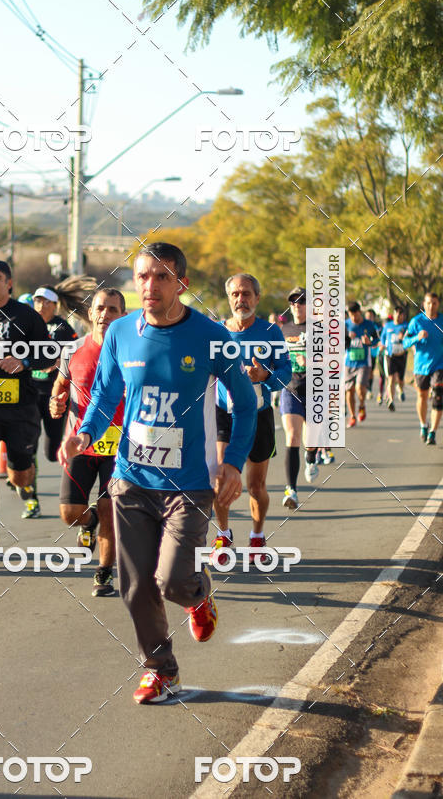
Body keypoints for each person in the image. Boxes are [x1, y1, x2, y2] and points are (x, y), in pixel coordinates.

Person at [59, 242, 257, 704]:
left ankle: (198, 593)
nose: (150, 285)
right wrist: (85, 433)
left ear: (181, 284)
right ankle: (162, 671)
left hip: (188, 483)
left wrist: (232, 463)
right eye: (143, 276)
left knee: (171, 580)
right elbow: (106, 395)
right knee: (134, 586)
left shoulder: (211, 337)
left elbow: (245, 405)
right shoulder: (121, 332)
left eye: (162, 277)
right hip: (131, 478)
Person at [0, 260, 54, 560]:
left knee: (20, 477)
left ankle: (24, 480)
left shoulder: (26, 316)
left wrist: (24, 362)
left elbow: (49, 356)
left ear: (10, 283)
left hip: (21, 408)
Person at [50, 288, 126, 597]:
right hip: (80, 443)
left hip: (119, 447)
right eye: (100, 308)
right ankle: (88, 520)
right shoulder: (73, 351)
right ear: (91, 313)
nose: (105, 314)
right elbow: (60, 386)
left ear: (123, 316)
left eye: (113, 309)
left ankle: (104, 573)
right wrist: (55, 403)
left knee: (111, 510)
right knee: (70, 514)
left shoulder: (132, 353)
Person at [212, 274, 291, 566]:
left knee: (256, 486)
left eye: (246, 294)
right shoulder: (217, 332)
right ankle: (223, 534)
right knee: (220, 478)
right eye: (234, 294)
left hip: (258, 414)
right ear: (228, 297)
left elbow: (286, 373)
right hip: (225, 414)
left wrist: (265, 376)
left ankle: (257, 537)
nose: (240, 299)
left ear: (257, 298)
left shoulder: (271, 332)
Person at [278, 286, 330, 510]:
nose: (297, 306)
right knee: (292, 437)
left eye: (301, 301)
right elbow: (276, 358)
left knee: (311, 441)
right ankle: (291, 490)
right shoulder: (282, 329)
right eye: (293, 302)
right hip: (291, 390)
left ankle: (310, 457)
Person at [32, 285, 78, 463]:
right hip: (31, 390)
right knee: (27, 439)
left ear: (55, 305)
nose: (41, 306)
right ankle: (27, 477)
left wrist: (60, 361)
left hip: (54, 393)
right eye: (38, 301)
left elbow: (76, 355)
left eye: (46, 302)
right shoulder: (29, 324)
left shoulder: (62, 328)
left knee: (52, 451)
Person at [403, 292, 443, 444]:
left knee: (438, 397)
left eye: (434, 303)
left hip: (440, 365)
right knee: (422, 396)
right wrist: (416, 337)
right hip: (421, 367)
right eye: (428, 303)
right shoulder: (416, 321)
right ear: (424, 304)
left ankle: (432, 432)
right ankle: (423, 425)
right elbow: (405, 343)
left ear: (438, 304)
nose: (431, 306)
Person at [345, 301, 379, 427]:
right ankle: (353, 416)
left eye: (356, 314)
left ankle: (362, 405)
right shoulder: (345, 325)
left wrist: (369, 341)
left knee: (359, 388)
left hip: (364, 362)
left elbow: (376, 340)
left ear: (360, 312)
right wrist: (347, 338)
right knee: (349, 390)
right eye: (351, 315)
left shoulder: (369, 325)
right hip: (349, 362)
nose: (354, 318)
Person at [380, 307, 408, 411]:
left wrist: (404, 337)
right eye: (397, 313)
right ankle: (391, 400)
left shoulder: (406, 326)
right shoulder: (388, 326)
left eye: (401, 314)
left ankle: (400, 389)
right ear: (394, 314)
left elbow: (409, 337)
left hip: (402, 355)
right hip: (390, 356)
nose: (399, 316)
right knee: (391, 378)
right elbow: (383, 337)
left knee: (400, 379)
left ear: (403, 316)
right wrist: (382, 345)